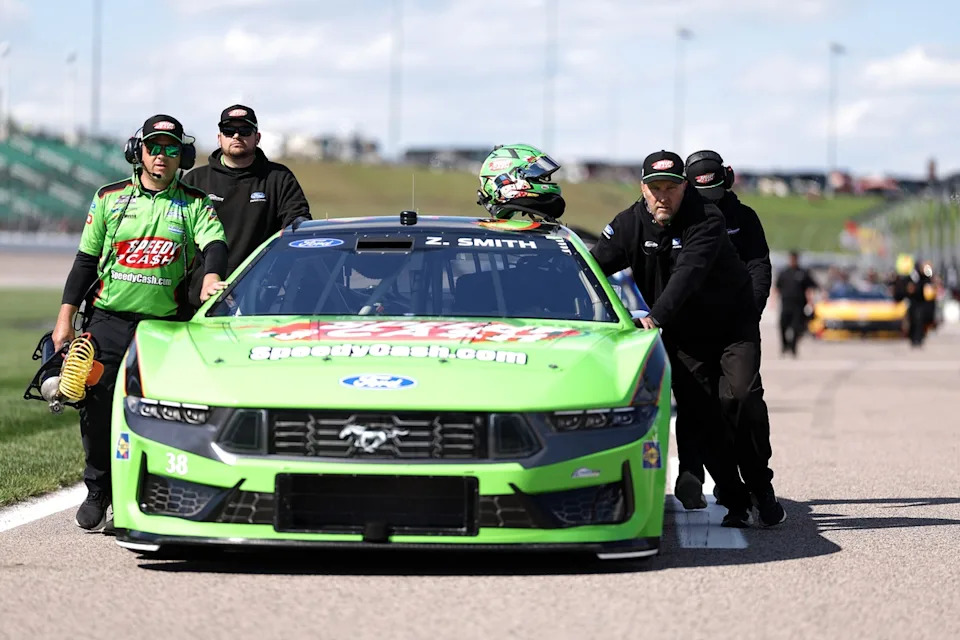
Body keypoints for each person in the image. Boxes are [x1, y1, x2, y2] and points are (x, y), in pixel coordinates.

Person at [51, 114, 228, 530]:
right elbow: (84, 262)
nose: (161, 156)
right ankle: (98, 490)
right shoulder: (109, 198)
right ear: (138, 152)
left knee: (153, 411)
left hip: (163, 328)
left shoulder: (195, 203)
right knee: (93, 404)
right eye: (154, 147)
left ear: (182, 155)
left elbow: (216, 244)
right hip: (108, 320)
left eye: (170, 148)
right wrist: (65, 320)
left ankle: (136, 500)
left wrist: (212, 275)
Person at [591, 150, 785, 528]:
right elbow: (594, 266)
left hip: (732, 327)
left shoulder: (708, 220)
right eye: (656, 188)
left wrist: (655, 317)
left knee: (739, 399)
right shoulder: (629, 224)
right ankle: (734, 497)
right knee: (703, 416)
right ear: (643, 189)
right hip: (684, 336)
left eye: (671, 188)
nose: (663, 196)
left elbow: (688, 274)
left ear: (684, 188)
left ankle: (762, 485)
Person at [672, 150, 772, 509]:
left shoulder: (744, 219)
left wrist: (752, 308)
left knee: (742, 398)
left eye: (714, 193)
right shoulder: (676, 218)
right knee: (694, 404)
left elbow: (760, 265)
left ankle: (759, 478)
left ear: (726, 181)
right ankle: (697, 477)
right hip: (690, 329)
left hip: (736, 326)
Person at [181, 104, 310, 308]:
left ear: (257, 137)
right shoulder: (196, 179)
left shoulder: (278, 178)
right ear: (219, 137)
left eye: (244, 131)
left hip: (258, 299)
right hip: (201, 296)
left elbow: (298, 223)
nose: (236, 136)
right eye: (229, 131)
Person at [775, 250, 818, 357]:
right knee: (782, 326)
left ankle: (793, 348)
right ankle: (785, 345)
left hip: (798, 305)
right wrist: (773, 301)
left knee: (796, 327)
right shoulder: (784, 272)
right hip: (785, 304)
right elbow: (777, 287)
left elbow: (810, 287)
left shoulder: (803, 273)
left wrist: (810, 301)